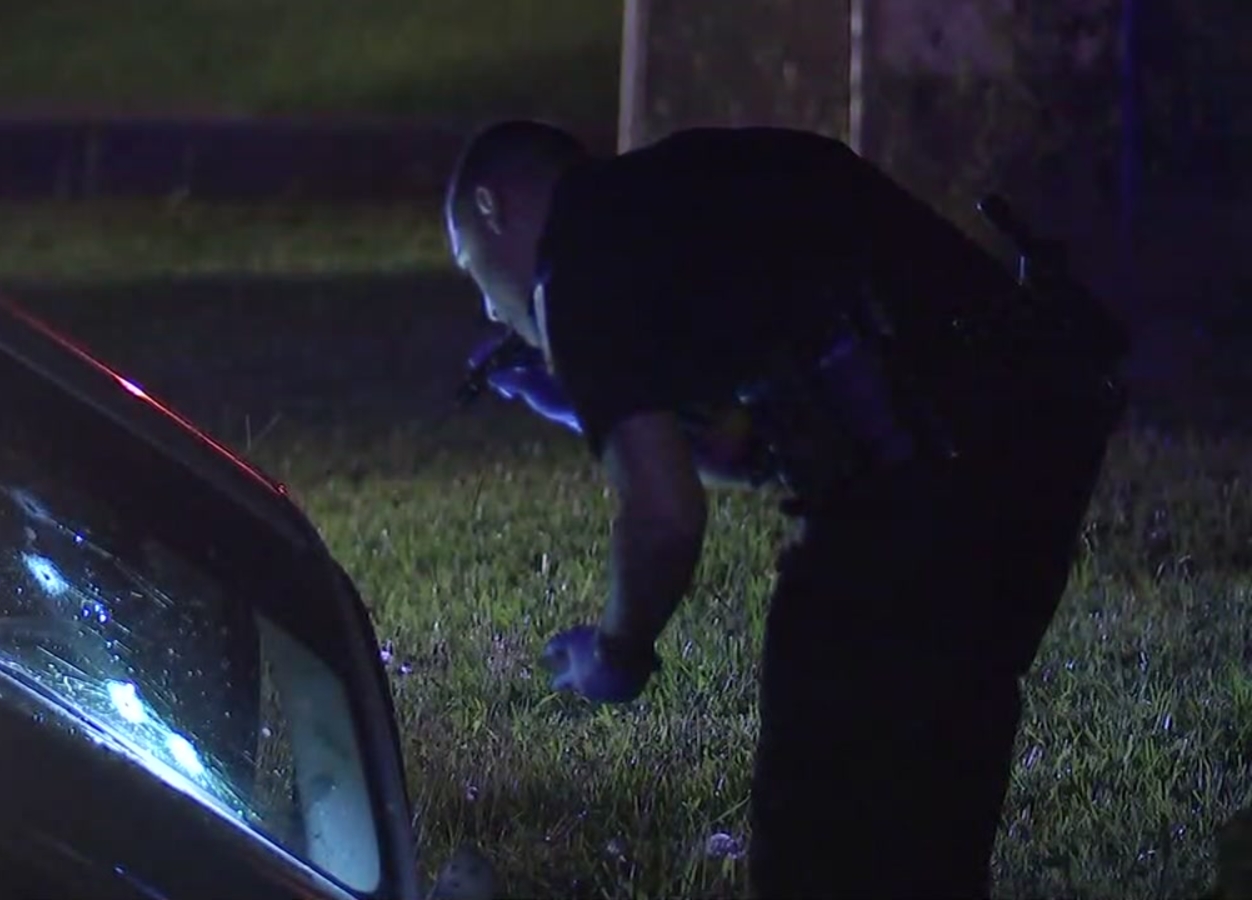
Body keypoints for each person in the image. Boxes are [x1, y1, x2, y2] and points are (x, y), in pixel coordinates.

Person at [443, 119, 1129, 898]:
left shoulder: (577, 258)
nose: (495, 313)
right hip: (1029, 456)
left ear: (494, 206)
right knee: (932, 810)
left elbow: (665, 517)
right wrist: (576, 399)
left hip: (909, 502)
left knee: (813, 838)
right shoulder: (684, 197)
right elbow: (775, 443)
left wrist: (618, 655)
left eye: (473, 270)